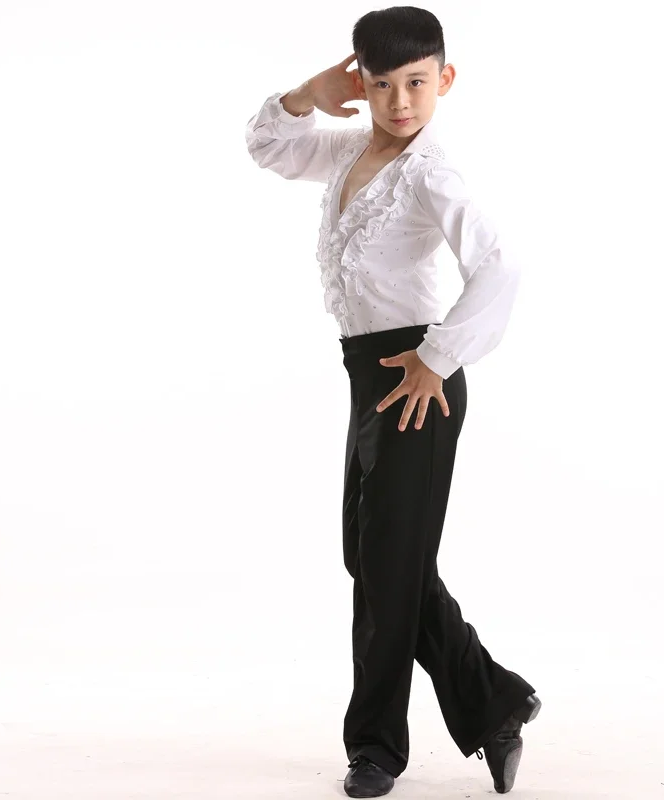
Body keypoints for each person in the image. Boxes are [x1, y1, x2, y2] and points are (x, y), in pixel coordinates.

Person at [244, 6, 540, 797]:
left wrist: (437, 358)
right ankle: (494, 700)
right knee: (372, 559)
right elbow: (271, 147)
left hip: (418, 384)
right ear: (363, 83)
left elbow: (500, 264)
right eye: (381, 85)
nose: (400, 101)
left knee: (385, 565)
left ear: (444, 79)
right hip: (369, 376)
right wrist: (306, 95)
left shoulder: (430, 171)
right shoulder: (352, 149)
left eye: (416, 83)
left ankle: (375, 748)